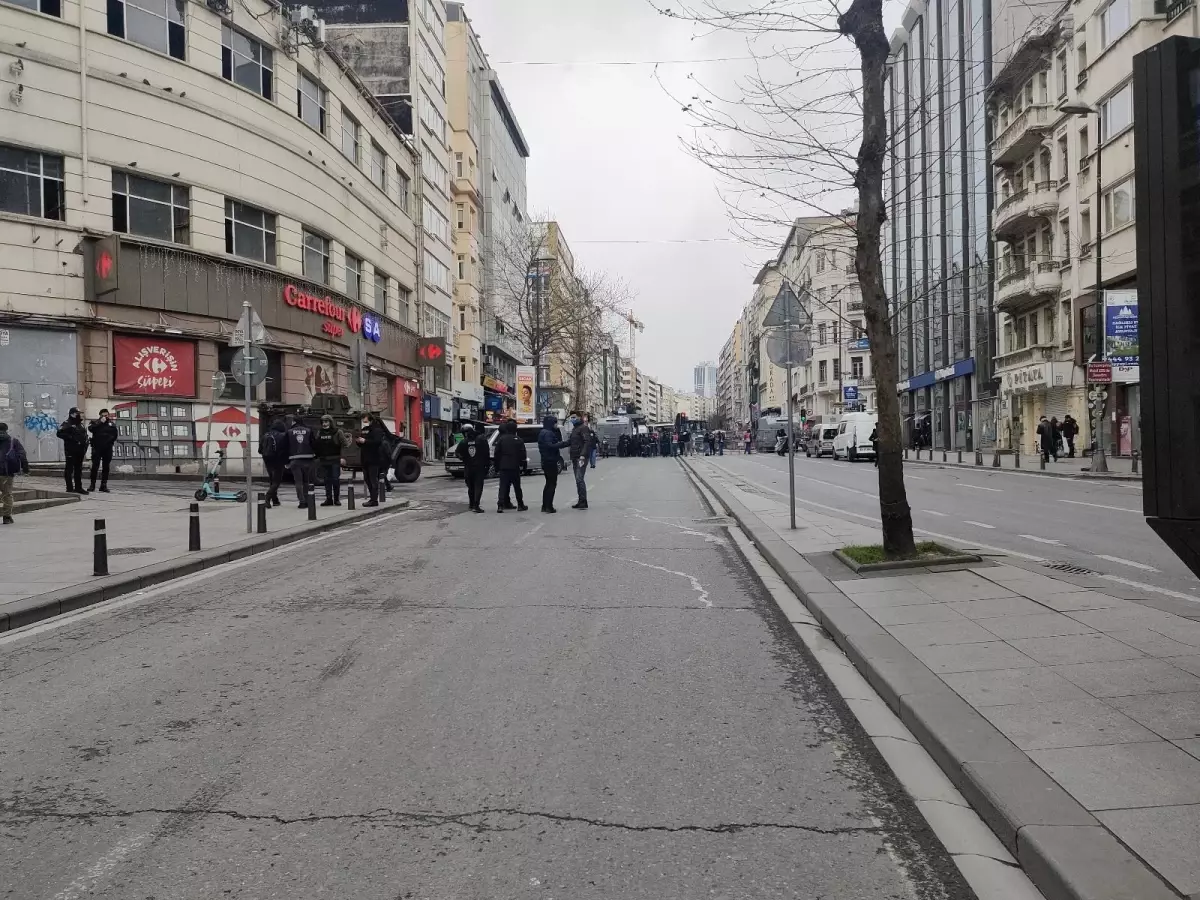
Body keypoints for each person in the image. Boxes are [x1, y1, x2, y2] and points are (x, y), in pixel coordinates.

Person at [494, 419, 529, 513]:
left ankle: (500, 505)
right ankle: (520, 505)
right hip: (515, 466)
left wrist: (497, 466)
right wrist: (523, 465)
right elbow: (523, 455)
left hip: (504, 466)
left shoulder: (501, 439)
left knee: (503, 486)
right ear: (515, 429)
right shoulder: (519, 440)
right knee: (517, 487)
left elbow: (496, 453)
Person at [357, 413, 390, 507]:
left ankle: (374, 500)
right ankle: (372, 498)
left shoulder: (377, 430)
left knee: (373, 479)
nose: (363, 420)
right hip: (364, 458)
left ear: (369, 418)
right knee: (367, 479)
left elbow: (377, 442)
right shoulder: (364, 430)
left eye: (364, 418)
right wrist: (358, 442)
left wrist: (365, 441)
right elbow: (361, 444)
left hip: (374, 458)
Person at [455, 423, 490, 512]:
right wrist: (487, 466)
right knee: (478, 486)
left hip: (468, 467)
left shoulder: (464, 442)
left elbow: (457, 453)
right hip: (479, 467)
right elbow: (487, 454)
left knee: (471, 487)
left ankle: (471, 504)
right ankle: (476, 505)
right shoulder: (481, 441)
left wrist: (463, 459)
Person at [0, 422, 30, 525]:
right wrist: (25, 468)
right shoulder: (13, 441)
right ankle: (7, 517)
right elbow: (22, 454)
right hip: (7, 473)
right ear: (6, 430)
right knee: (7, 495)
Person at [538, 415, 569, 513]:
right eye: (555, 423)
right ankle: (548, 506)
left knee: (548, 484)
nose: (556, 425)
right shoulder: (548, 433)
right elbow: (551, 446)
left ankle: (545, 505)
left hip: (546, 460)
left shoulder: (544, 432)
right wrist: (565, 443)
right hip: (550, 461)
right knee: (551, 484)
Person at [314, 415, 346, 506]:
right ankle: (329, 499)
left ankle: (336, 499)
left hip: (335, 459)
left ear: (330, 422)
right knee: (326, 480)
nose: (324, 424)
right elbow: (317, 445)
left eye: (326, 422)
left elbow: (345, 444)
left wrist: (343, 457)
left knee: (335, 479)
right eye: (323, 422)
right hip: (324, 460)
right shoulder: (320, 432)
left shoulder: (338, 432)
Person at [285, 414, 316, 507]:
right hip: (308, 459)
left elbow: (285, 447)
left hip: (295, 460)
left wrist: (286, 461)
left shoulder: (289, 432)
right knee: (306, 481)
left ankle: (302, 501)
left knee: (298, 482)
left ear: (294, 421)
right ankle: (307, 499)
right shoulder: (309, 431)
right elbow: (313, 444)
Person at [566, 412, 595, 509]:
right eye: (571, 418)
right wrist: (556, 445)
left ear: (579, 417)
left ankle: (583, 501)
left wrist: (582, 455)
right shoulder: (575, 429)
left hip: (581, 457)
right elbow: (570, 442)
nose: (572, 419)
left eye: (574, 417)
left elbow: (587, 442)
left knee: (579, 479)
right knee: (578, 480)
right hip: (575, 457)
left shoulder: (583, 428)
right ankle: (580, 500)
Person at [56, 408, 88, 494]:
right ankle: (69, 487)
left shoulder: (80, 425)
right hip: (71, 450)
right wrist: (71, 438)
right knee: (69, 469)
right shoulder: (67, 423)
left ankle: (78, 487)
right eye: (77, 413)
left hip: (80, 451)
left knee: (78, 469)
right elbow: (59, 433)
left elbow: (84, 435)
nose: (79, 415)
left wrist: (85, 445)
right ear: (72, 414)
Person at [259, 417, 289, 507]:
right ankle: (267, 498)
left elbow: (260, 450)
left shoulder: (265, 435)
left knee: (272, 480)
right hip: (278, 460)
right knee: (277, 481)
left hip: (267, 460)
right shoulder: (283, 435)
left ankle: (275, 500)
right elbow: (286, 449)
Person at [87, 408, 119, 493]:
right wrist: (100, 422)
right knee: (95, 466)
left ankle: (103, 485)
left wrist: (110, 441)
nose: (105, 417)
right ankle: (92, 485)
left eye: (106, 415)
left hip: (107, 448)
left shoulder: (111, 424)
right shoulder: (96, 423)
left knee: (106, 467)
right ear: (100, 415)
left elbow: (115, 434)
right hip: (97, 448)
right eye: (103, 415)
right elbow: (90, 429)